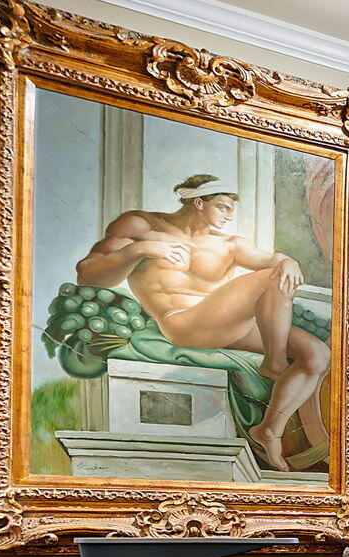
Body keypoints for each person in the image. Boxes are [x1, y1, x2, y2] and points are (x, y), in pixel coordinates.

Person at [75, 173, 327, 472]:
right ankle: (274, 364)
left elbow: (272, 260)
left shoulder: (229, 244)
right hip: (183, 323)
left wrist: (289, 260)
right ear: (198, 203)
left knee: (317, 354)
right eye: (222, 207)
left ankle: (269, 430)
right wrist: (139, 250)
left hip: (224, 325)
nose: (228, 215)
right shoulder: (142, 226)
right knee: (272, 279)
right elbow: (88, 275)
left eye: (231, 209)